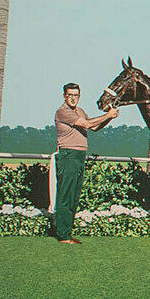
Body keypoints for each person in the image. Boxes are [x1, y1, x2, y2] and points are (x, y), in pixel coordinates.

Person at [50, 83, 119, 244]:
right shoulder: (63, 112)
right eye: (70, 95)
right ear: (64, 96)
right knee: (66, 195)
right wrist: (107, 115)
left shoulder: (80, 111)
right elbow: (87, 124)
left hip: (80, 156)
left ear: (79, 96)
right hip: (68, 155)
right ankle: (63, 235)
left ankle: (66, 232)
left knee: (74, 196)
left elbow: (95, 127)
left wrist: (110, 116)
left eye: (76, 95)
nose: (73, 98)